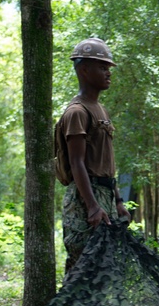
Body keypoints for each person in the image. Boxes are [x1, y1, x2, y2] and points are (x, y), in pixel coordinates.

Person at [55, 37, 131, 276]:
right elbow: (77, 163)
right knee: (83, 269)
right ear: (84, 70)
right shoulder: (77, 112)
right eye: (102, 67)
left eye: (108, 68)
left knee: (103, 270)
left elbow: (106, 163)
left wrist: (117, 201)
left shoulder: (101, 110)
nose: (108, 72)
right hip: (85, 198)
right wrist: (92, 207)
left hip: (104, 195)